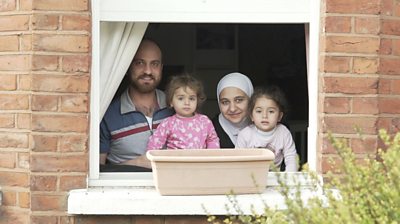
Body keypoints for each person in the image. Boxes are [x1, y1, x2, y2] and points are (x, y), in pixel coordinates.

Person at [100, 39, 173, 171]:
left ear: (161, 68)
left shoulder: (175, 106)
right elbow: (98, 171)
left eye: (154, 64)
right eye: (140, 63)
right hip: (126, 190)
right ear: (128, 66)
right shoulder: (107, 114)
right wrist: (138, 163)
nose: (148, 71)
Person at [147, 74, 220, 150]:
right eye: (181, 98)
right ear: (171, 101)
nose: (187, 103)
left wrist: (212, 157)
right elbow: (154, 144)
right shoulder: (168, 124)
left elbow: (212, 140)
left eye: (191, 98)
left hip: (200, 161)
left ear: (197, 101)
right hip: (176, 161)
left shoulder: (204, 121)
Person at [236, 86, 298, 172]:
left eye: (271, 111)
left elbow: (291, 157)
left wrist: (290, 180)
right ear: (251, 116)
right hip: (250, 178)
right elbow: (238, 161)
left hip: (275, 179)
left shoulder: (283, 132)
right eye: (259, 111)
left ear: (279, 116)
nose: (264, 116)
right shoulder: (245, 135)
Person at [212, 72, 254, 148]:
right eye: (225, 102)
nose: (232, 109)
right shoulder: (208, 130)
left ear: (251, 99)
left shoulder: (266, 125)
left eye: (239, 100)